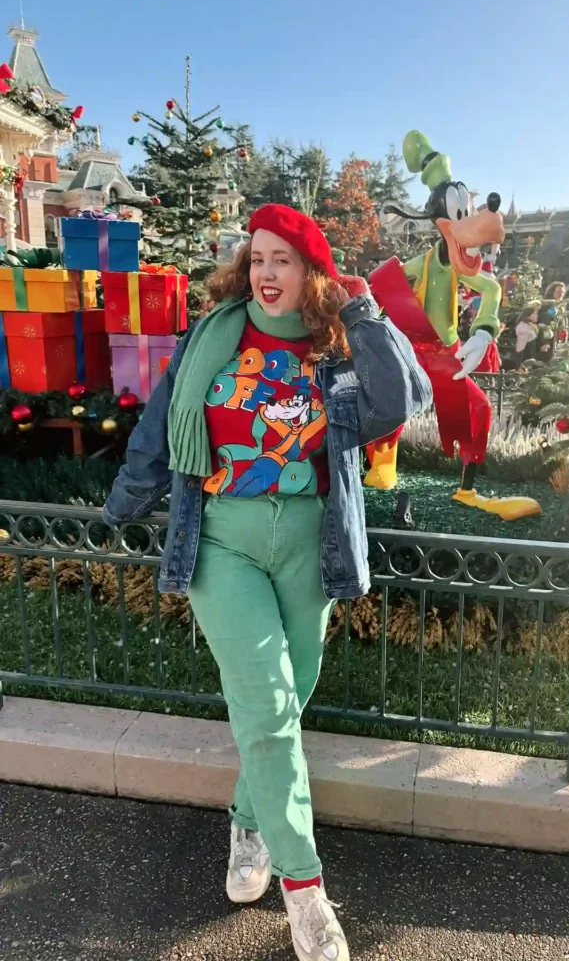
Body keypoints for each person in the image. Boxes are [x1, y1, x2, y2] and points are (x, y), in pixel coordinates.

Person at [103, 204, 432, 961]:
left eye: (283, 260)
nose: (266, 274)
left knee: (292, 695)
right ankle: (305, 891)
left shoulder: (337, 346)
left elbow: (404, 398)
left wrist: (364, 309)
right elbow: (159, 427)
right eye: (257, 259)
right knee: (271, 707)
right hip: (224, 540)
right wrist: (122, 502)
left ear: (311, 271)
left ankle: (249, 822)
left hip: (310, 544)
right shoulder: (211, 336)